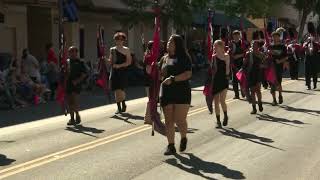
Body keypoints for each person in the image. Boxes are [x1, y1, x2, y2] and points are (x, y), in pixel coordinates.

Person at [159, 34, 192, 155]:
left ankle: (183, 137)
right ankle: (171, 145)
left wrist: (173, 79)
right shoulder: (164, 59)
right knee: (168, 121)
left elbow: (188, 74)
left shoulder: (184, 57)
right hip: (167, 92)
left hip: (181, 92)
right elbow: (159, 74)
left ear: (177, 44)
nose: (168, 43)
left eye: (171, 42)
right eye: (168, 41)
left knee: (180, 120)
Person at [108, 32, 132, 114]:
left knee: (121, 90)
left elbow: (129, 62)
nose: (119, 41)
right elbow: (110, 61)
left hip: (122, 72)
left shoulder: (126, 49)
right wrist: (104, 59)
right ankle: (118, 107)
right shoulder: (112, 50)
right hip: (114, 71)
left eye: (121, 39)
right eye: (117, 39)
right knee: (116, 90)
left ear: (123, 40)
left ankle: (123, 104)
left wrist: (120, 66)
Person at [65, 46, 87, 125]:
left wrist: (77, 81)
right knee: (70, 102)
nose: (72, 53)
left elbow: (84, 73)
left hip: (76, 84)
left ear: (77, 53)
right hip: (68, 83)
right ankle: (72, 119)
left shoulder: (80, 62)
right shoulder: (66, 62)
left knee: (74, 100)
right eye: (70, 52)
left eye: (74, 51)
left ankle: (77, 114)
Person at [211, 40, 230, 128]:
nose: (214, 48)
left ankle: (225, 115)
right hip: (216, 80)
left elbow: (227, 69)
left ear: (221, 47)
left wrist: (227, 77)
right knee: (216, 102)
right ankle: (218, 121)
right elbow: (212, 70)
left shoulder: (226, 56)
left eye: (216, 46)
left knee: (222, 100)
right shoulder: (213, 57)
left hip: (224, 79)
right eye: (214, 46)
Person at [243, 41, 266, 114]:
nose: (254, 46)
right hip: (250, 74)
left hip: (258, 74)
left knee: (258, 90)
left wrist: (262, 66)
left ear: (258, 46)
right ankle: (254, 108)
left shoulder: (261, 55)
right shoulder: (248, 54)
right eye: (253, 44)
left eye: (256, 45)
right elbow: (244, 65)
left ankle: (259, 103)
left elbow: (266, 64)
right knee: (252, 91)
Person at [269, 32, 288, 106]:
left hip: (279, 67)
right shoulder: (270, 46)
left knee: (278, 83)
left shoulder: (283, 47)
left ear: (279, 37)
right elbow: (267, 56)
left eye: (276, 36)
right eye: (273, 37)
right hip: (271, 67)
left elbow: (286, 57)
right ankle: (274, 100)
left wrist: (280, 61)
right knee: (272, 84)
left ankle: (280, 95)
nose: (274, 38)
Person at [229, 30, 245, 99]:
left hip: (242, 63)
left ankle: (243, 90)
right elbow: (229, 52)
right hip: (234, 64)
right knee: (234, 80)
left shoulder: (243, 43)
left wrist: (239, 55)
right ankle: (236, 94)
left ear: (239, 35)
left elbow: (246, 52)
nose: (236, 36)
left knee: (241, 78)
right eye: (234, 35)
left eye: (237, 35)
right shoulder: (231, 43)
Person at [303, 22, 319, 90]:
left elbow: (319, 44)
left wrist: (314, 41)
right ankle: (308, 84)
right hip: (307, 54)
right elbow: (303, 44)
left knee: (314, 70)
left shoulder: (316, 35)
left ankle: (315, 83)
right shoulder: (306, 35)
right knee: (307, 70)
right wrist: (307, 43)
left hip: (314, 54)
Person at [143, 41, 154, 124]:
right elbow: (148, 70)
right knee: (151, 99)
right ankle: (148, 118)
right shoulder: (149, 56)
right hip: (149, 81)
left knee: (153, 99)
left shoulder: (151, 56)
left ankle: (150, 117)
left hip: (152, 81)